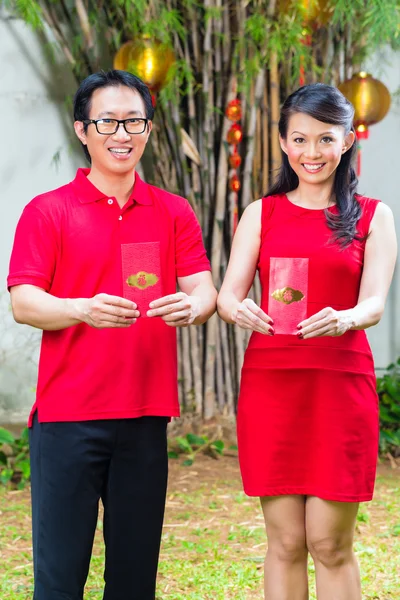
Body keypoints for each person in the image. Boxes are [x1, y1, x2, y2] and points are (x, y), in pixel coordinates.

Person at [8, 69, 217, 600]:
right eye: (107, 121)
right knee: (59, 579)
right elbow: (23, 302)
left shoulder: (173, 212)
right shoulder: (47, 211)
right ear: (82, 129)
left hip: (145, 417)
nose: (122, 134)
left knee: (133, 578)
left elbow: (205, 290)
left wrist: (190, 307)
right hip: (66, 421)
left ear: (148, 129)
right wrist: (81, 309)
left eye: (134, 121)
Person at [217, 83, 397, 600]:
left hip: (339, 386)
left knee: (330, 543)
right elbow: (228, 295)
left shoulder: (372, 215)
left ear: (346, 143)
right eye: (299, 139)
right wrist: (239, 309)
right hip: (272, 385)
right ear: (282, 142)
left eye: (325, 139)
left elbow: (374, 305)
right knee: (287, 541)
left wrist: (344, 319)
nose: (311, 153)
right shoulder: (262, 213)